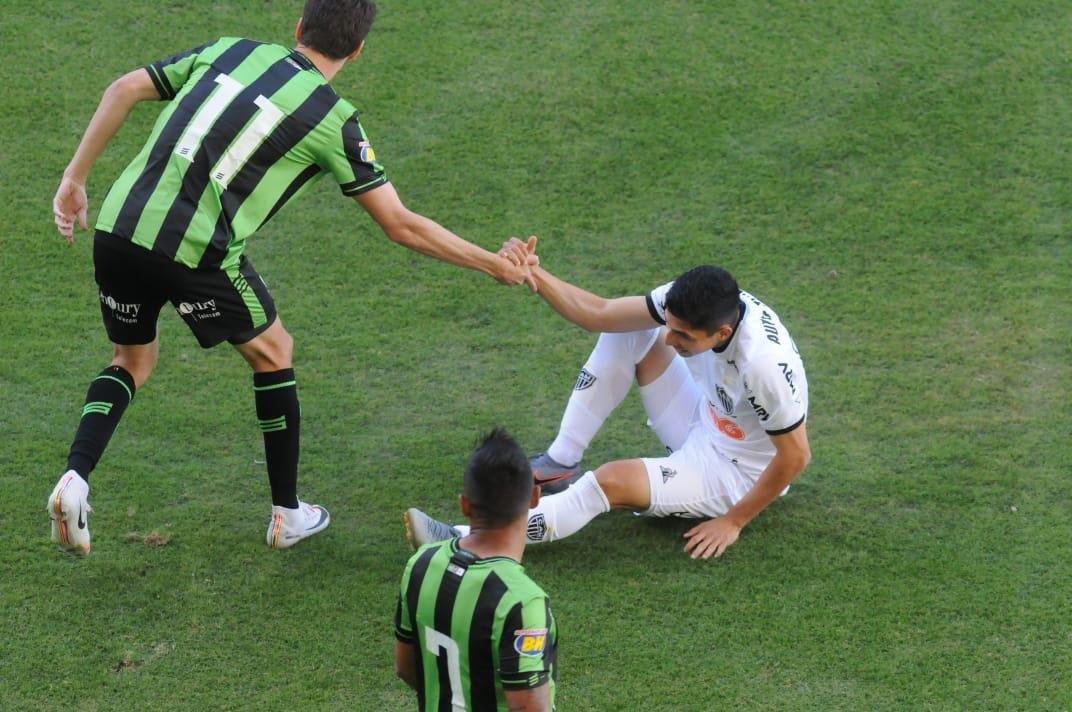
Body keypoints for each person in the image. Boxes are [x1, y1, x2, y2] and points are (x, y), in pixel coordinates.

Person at [47, 0, 536, 554]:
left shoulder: (232, 50)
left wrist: (75, 178)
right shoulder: (334, 119)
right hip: (195, 253)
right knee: (274, 351)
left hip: (117, 228)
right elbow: (400, 224)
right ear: (357, 51)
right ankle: (286, 513)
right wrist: (493, 262)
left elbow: (123, 88)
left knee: (131, 361)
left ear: (299, 27)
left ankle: (75, 478)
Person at [407, 256, 811, 560]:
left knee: (610, 481)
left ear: (722, 333)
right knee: (629, 332)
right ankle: (561, 461)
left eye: (683, 336)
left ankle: (462, 539)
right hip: (706, 419)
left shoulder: (762, 366)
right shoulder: (692, 301)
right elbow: (599, 313)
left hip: (735, 474)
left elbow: (795, 456)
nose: (670, 340)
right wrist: (535, 273)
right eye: (671, 326)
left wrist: (734, 520)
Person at [396, 428, 557, 711]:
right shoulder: (521, 602)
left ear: (465, 504)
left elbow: (406, 668)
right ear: (534, 497)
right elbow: (528, 707)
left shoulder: (420, 564)